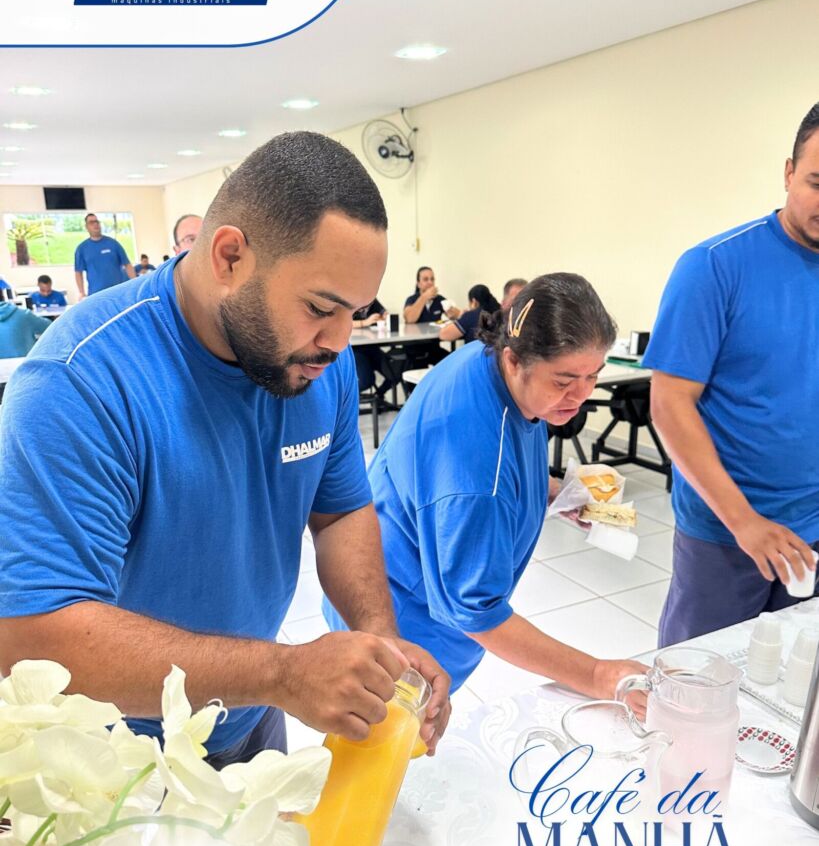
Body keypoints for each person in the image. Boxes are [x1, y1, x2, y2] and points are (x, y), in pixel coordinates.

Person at [0, 132, 450, 766]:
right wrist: (282, 673)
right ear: (230, 256)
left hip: (249, 711)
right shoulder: (81, 382)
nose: (339, 340)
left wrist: (380, 639)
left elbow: (341, 511)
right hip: (114, 756)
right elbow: (34, 636)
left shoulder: (318, 364)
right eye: (320, 307)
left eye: (355, 311)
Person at [323, 274, 646, 700]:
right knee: (394, 727)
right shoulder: (477, 471)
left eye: (593, 376)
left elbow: (495, 458)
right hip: (403, 624)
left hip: (381, 569)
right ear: (514, 360)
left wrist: (547, 491)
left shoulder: (484, 358)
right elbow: (477, 612)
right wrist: (597, 675)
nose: (580, 396)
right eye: (563, 381)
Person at [643, 101, 819, 646]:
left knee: (793, 681)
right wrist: (744, 521)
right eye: (817, 183)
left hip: (812, 528)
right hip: (723, 532)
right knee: (698, 678)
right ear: (788, 173)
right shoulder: (714, 265)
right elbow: (669, 403)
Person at [74, 213, 135, 298]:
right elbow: (78, 272)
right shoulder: (82, 248)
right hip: (96, 294)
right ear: (86, 227)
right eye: (91, 222)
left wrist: (134, 284)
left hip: (117, 292)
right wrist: (81, 292)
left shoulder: (113, 244)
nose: (95, 224)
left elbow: (127, 265)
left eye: (97, 221)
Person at [352, 297, 387, 391]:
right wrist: (365, 322)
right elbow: (342, 323)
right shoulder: (349, 299)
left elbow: (384, 312)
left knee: (395, 372)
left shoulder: (372, 299)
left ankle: (379, 395)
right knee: (365, 381)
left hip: (372, 346)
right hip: (355, 349)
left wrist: (384, 317)